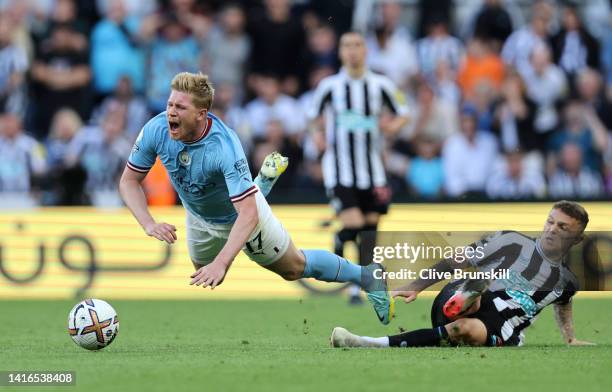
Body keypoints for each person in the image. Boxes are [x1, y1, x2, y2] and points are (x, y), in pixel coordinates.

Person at [119, 71, 394, 324]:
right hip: (199, 214)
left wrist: (223, 261)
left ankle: (366, 276)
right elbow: (129, 181)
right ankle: (258, 185)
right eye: (170, 105)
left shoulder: (224, 147)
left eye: (180, 108)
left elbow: (248, 214)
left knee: (293, 268)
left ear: (201, 114)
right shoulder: (155, 129)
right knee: (201, 270)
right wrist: (148, 223)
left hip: (242, 215)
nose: (171, 113)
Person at [331, 201, 596, 348]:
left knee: (463, 329)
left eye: (562, 227)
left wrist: (570, 337)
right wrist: (417, 285)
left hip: (501, 327)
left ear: (577, 238)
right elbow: (459, 258)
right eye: (550, 221)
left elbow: (563, 303)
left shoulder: (566, 281)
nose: (552, 229)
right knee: (473, 291)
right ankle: (470, 294)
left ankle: (363, 342)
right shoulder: (510, 240)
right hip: (458, 298)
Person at [307, 31, 409, 304]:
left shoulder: (381, 85)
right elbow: (312, 117)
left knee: (370, 230)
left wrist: (392, 126)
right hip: (340, 170)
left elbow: (403, 112)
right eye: (347, 46)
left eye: (357, 45)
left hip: (374, 171)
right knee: (354, 224)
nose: (352, 51)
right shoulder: (329, 86)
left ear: (366, 51)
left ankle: (358, 286)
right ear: (340, 52)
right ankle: (341, 244)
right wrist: (317, 135)